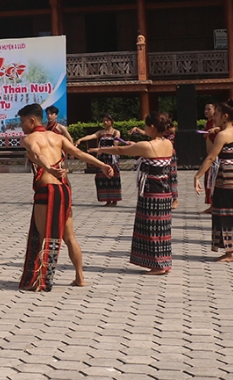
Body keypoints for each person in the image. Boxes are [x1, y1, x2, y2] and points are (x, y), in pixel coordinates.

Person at [17, 103, 113, 291]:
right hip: (64, 189)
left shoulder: (29, 139)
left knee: (44, 236)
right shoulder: (57, 137)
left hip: (46, 189)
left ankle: (42, 280)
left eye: (22, 122)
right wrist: (101, 164)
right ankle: (80, 277)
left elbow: (37, 153)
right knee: (69, 236)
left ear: (32, 120)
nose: (21, 126)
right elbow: (78, 153)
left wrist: (48, 168)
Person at [92, 112, 176, 276]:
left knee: (151, 228)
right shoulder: (167, 143)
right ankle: (164, 262)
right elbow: (134, 148)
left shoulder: (146, 146)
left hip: (151, 192)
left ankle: (158, 265)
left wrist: (101, 149)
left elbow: (120, 149)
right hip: (165, 191)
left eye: (146, 126)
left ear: (152, 127)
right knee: (162, 228)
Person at [194, 101, 233, 262]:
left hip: (226, 176)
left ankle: (230, 253)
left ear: (225, 116)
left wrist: (197, 176)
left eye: (217, 114)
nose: (214, 117)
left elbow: (211, 156)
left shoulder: (222, 135)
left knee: (225, 213)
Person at [74, 114, 125, 206]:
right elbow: (91, 136)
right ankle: (107, 199)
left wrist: (102, 149)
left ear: (111, 121)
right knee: (101, 177)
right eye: (104, 120)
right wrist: (81, 139)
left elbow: (116, 144)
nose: (105, 122)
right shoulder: (101, 132)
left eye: (107, 120)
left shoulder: (116, 132)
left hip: (111, 158)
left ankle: (114, 199)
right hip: (102, 158)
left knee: (113, 177)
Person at [200, 103, 218, 214]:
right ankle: (212, 204)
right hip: (209, 155)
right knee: (209, 180)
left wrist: (215, 129)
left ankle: (216, 205)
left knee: (214, 180)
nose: (206, 111)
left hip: (215, 156)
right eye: (205, 109)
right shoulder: (208, 123)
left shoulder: (216, 122)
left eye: (209, 109)